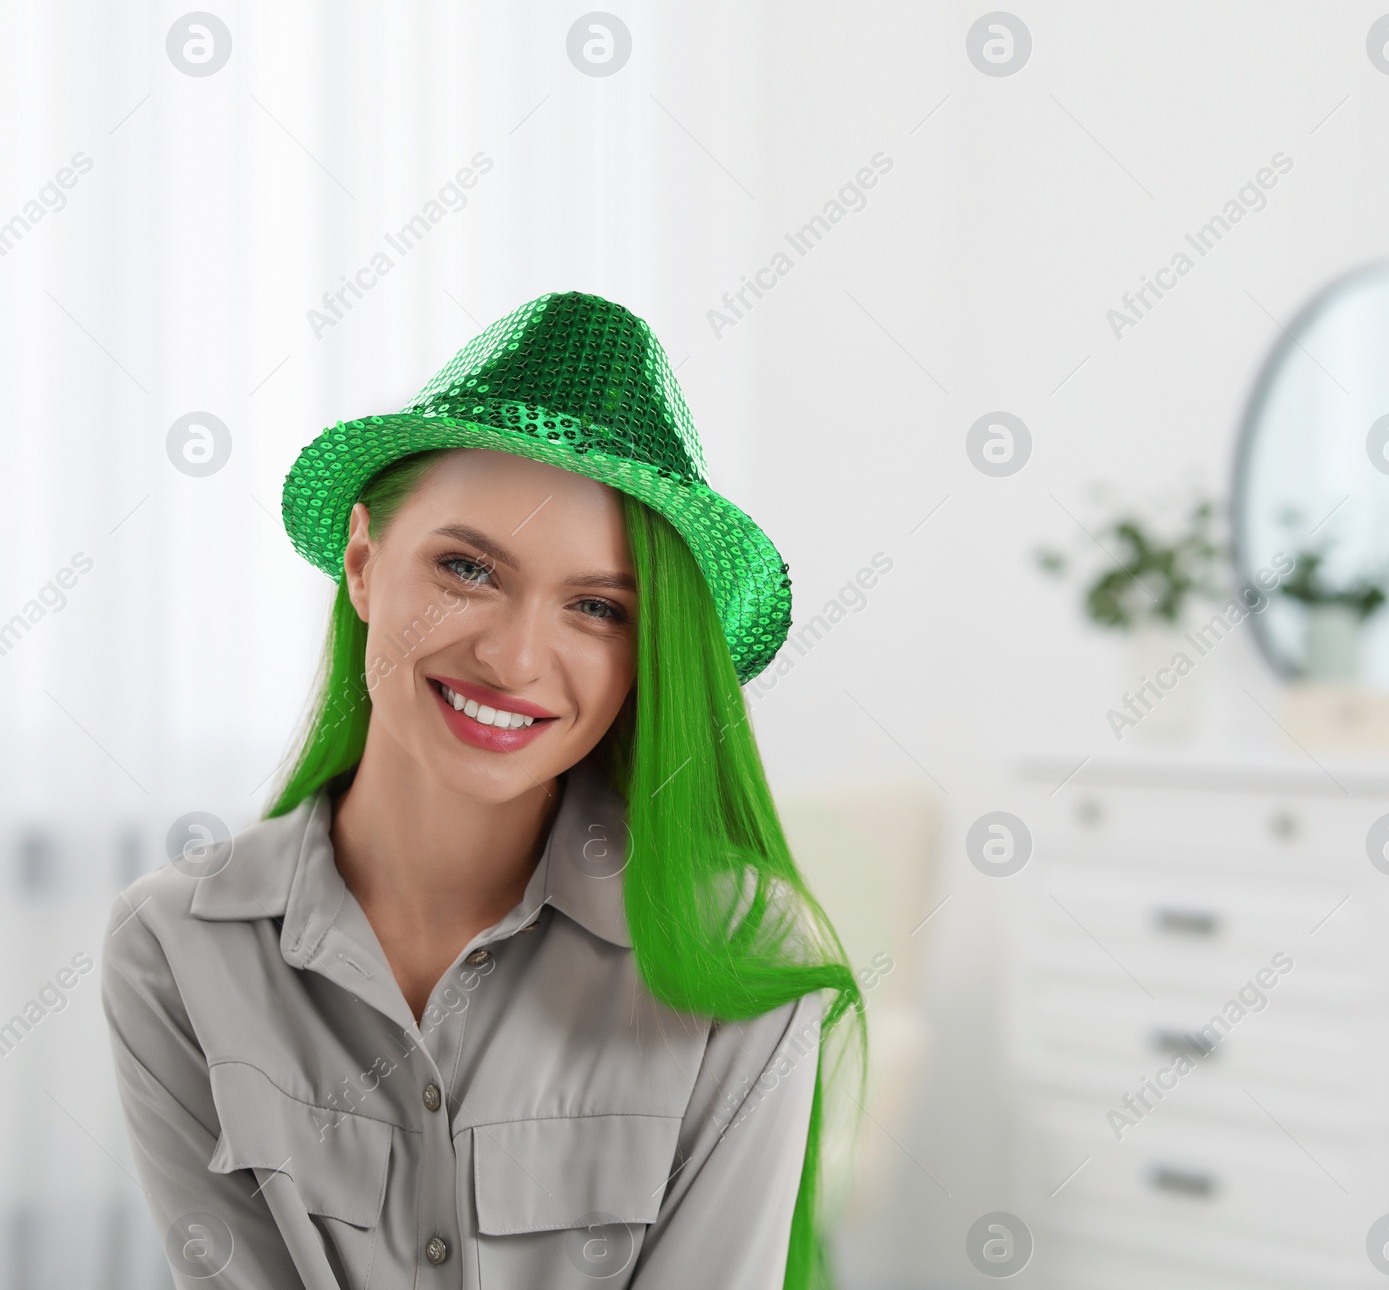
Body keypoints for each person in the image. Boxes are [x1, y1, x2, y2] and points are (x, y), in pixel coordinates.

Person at [100, 291, 865, 1289]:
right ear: (365, 565)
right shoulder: (176, 944)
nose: (511, 656)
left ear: (648, 656)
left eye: (596, 607)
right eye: (468, 568)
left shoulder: (743, 950)